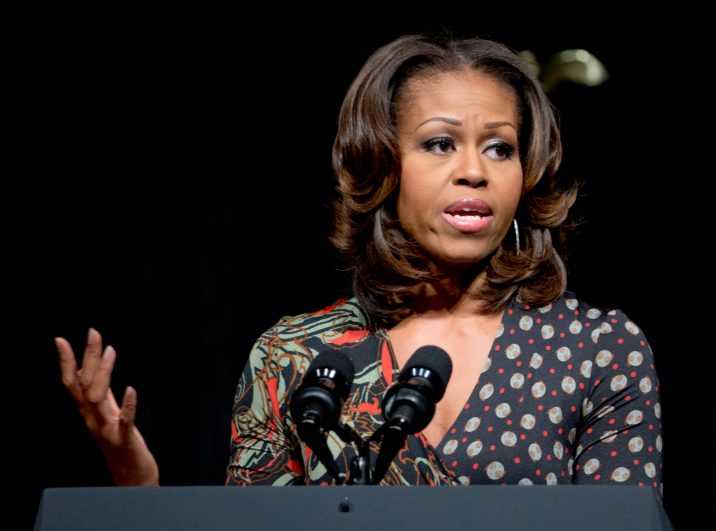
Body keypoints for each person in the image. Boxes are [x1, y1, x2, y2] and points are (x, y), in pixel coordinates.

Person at [56, 33, 663, 498]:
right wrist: (138, 486)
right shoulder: (295, 357)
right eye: (440, 143)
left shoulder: (599, 349)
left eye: (500, 147)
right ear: (383, 166)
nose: (474, 170)